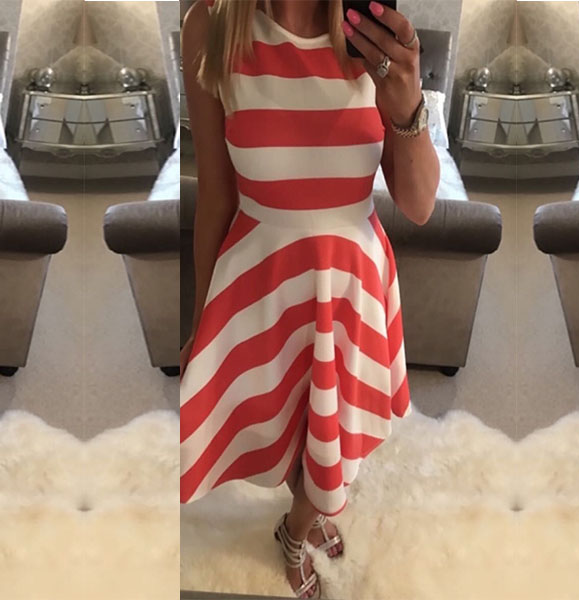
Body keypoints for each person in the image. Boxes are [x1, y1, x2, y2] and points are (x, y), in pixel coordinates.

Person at [180, 0, 439, 597]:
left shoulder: (368, 30)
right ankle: (308, 516)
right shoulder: (210, 25)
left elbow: (420, 205)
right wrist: (201, 322)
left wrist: (407, 104)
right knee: (289, 426)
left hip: (350, 285)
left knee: (332, 437)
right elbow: (215, 193)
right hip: (259, 283)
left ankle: (296, 530)